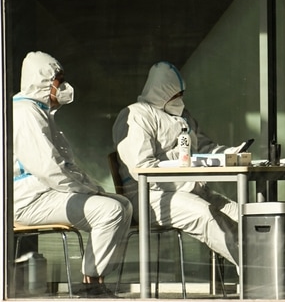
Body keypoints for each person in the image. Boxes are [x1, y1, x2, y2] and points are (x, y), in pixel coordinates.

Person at [12, 51, 133, 298]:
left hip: (46, 194)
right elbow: (49, 169)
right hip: (28, 200)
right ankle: (92, 284)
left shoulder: (40, 112)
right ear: (43, 80)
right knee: (110, 211)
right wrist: (87, 190)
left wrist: (92, 187)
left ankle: (95, 278)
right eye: (60, 79)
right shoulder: (25, 112)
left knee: (122, 204)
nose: (65, 86)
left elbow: (66, 165)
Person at [112, 61, 247, 267]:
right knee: (206, 215)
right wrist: (187, 175)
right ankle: (251, 271)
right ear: (161, 92)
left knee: (241, 215)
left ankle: (271, 266)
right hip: (150, 198)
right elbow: (143, 169)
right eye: (175, 96)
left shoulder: (183, 116)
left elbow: (204, 148)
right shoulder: (136, 116)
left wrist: (230, 153)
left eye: (181, 94)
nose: (180, 100)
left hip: (191, 190)